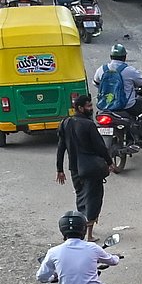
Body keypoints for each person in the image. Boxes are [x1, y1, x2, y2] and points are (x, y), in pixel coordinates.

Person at [55, 94, 112, 241]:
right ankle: (90, 235)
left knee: (81, 197)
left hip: (75, 169)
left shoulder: (65, 123)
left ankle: (80, 230)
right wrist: (110, 162)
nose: (91, 109)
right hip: (91, 169)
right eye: (89, 106)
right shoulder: (88, 125)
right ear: (80, 108)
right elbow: (100, 147)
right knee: (93, 198)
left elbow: (61, 148)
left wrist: (59, 169)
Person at [94, 42, 142, 141]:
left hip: (106, 106)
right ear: (124, 57)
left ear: (111, 56)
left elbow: (96, 83)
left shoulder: (101, 69)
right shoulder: (129, 70)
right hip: (127, 106)